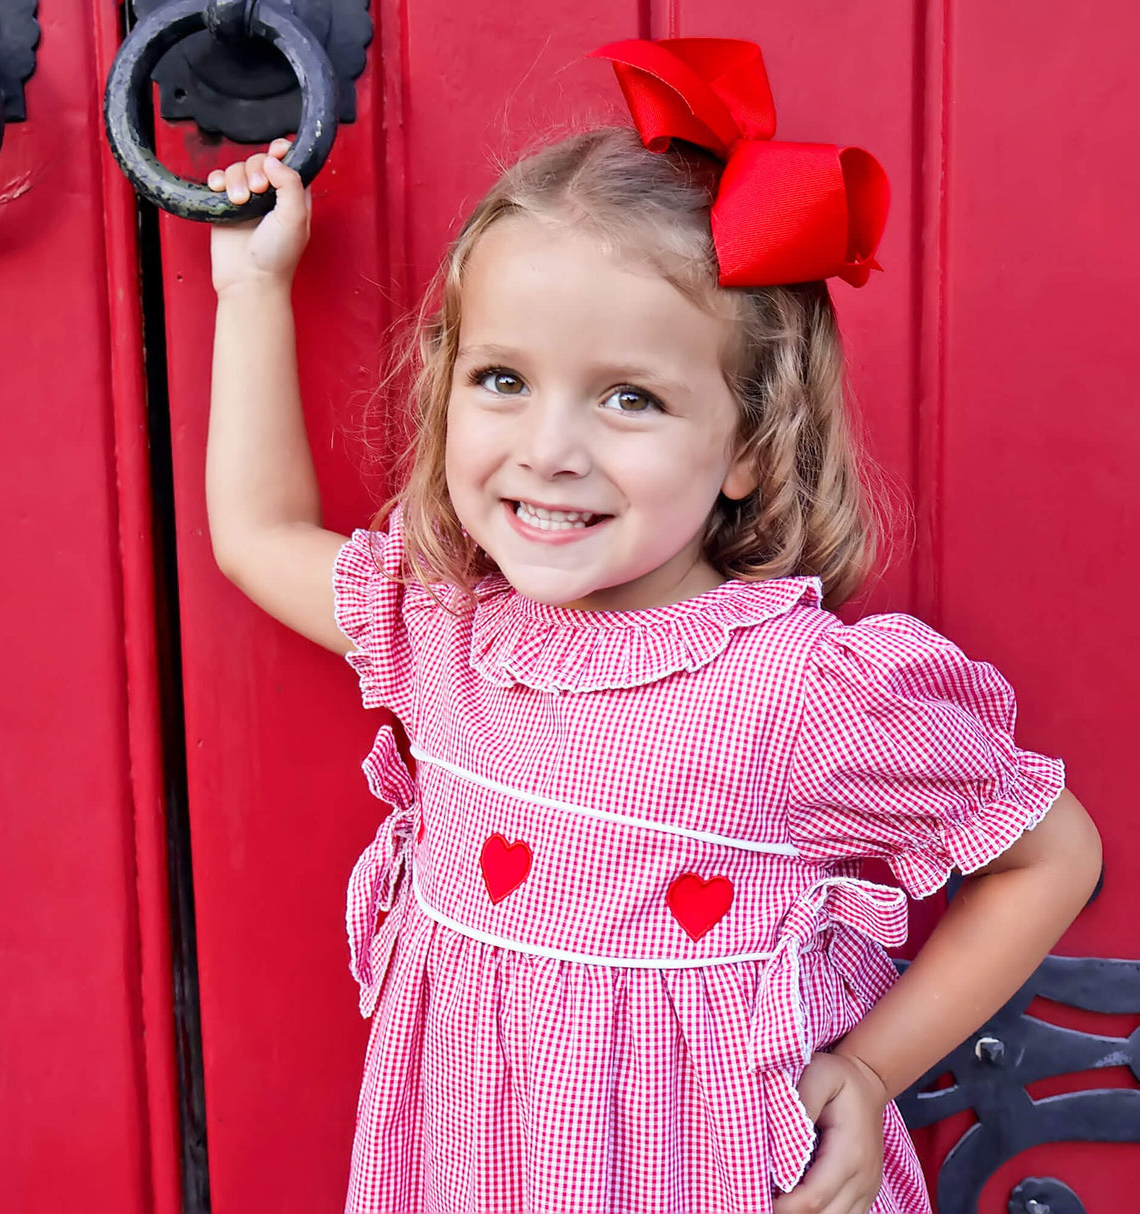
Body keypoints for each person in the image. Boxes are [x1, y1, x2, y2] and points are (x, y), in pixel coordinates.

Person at [203, 36, 1101, 1214]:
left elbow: (1049, 852)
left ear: (744, 447)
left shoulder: (793, 692)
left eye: (629, 397)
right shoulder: (447, 635)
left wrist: (871, 1067)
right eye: (502, 378)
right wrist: (252, 288)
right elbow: (257, 534)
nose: (548, 448)